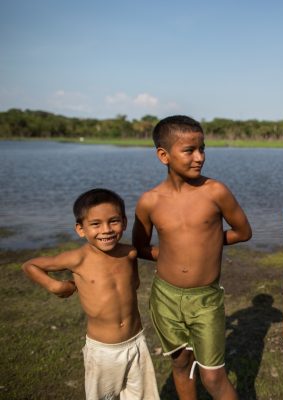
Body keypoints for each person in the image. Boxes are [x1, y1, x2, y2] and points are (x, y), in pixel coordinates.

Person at [132, 115, 252, 400]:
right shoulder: (149, 201)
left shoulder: (215, 192)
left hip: (205, 299)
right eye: (189, 150)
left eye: (202, 149)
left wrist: (208, 243)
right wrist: (170, 254)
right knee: (181, 363)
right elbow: (141, 247)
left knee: (213, 376)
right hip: (165, 297)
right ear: (163, 155)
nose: (199, 157)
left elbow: (243, 232)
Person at [22, 188, 159, 400]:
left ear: (124, 222)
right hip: (103, 350)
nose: (106, 230)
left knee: (141, 396)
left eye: (114, 221)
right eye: (96, 224)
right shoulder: (78, 258)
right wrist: (55, 286)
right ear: (81, 229)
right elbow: (30, 265)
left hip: (136, 342)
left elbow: (135, 283)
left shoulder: (129, 253)